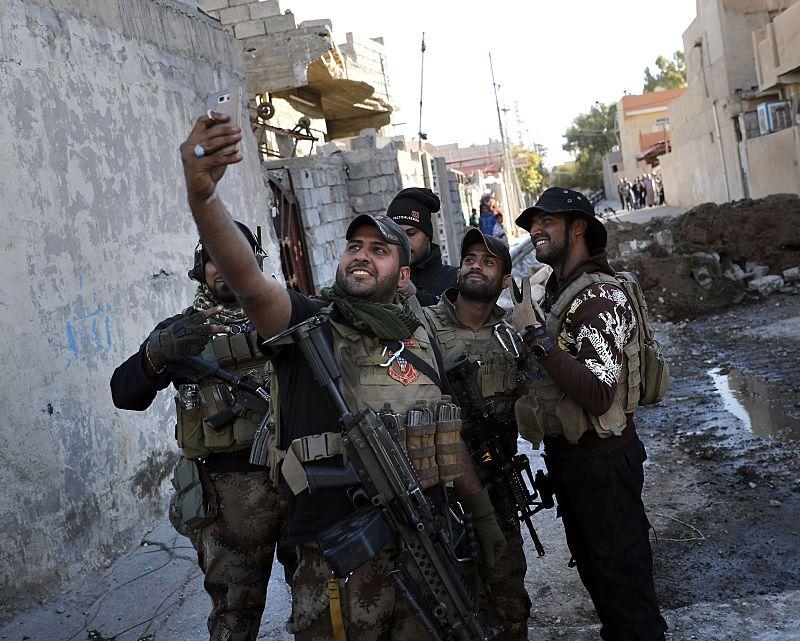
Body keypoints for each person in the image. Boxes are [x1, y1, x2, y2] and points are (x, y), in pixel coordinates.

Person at [177, 112, 505, 641]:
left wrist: (483, 516)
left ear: (403, 276)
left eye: (379, 250)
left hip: (424, 545)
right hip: (338, 559)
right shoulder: (308, 326)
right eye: (355, 246)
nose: (362, 256)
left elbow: (446, 438)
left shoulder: (420, 343)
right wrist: (203, 201)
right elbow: (250, 283)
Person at [110, 221, 297, 641]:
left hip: (299, 479)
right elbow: (125, 393)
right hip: (227, 498)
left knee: (318, 606)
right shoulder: (183, 331)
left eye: (236, 253)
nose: (225, 265)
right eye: (214, 255)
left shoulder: (287, 312)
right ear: (201, 267)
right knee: (234, 618)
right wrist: (155, 355)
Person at [507, 187, 667, 641]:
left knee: (626, 592)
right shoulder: (564, 291)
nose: (535, 230)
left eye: (546, 222)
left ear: (577, 228)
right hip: (577, 465)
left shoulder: (597, 296)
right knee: (602, 584)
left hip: (604, 467)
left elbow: (598, 393)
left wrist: (537, 338)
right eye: (532, 223)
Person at [422, 229, 531, 641]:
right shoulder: (425, 325)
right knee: (444, 599)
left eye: (488, 262)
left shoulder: (513, 335)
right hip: (438, 489)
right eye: (469, 258)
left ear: (504, 279)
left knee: (507, 594)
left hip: (498, 483)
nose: (475, 265)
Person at [386, 187, 458, 306]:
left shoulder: (454, 279)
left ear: (428, 235)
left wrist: (415, 295)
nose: (404, 242)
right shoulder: (384, 278)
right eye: (397, 235)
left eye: (411, 233)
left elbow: (462, 318)